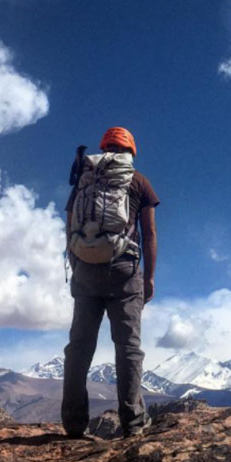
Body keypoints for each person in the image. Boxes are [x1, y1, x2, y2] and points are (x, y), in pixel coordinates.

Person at [62, 127, 159, 438]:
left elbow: (69, 226)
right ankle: (133, 423)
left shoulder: (84, 179)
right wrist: (149, 277)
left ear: (103, 148)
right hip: (124, 272)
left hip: (86, 272)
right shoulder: (138, 181)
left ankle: (75, 425)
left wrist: (77, 262)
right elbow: (150, 234)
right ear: (131, 152)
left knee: (79, 348)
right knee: (128, 348)